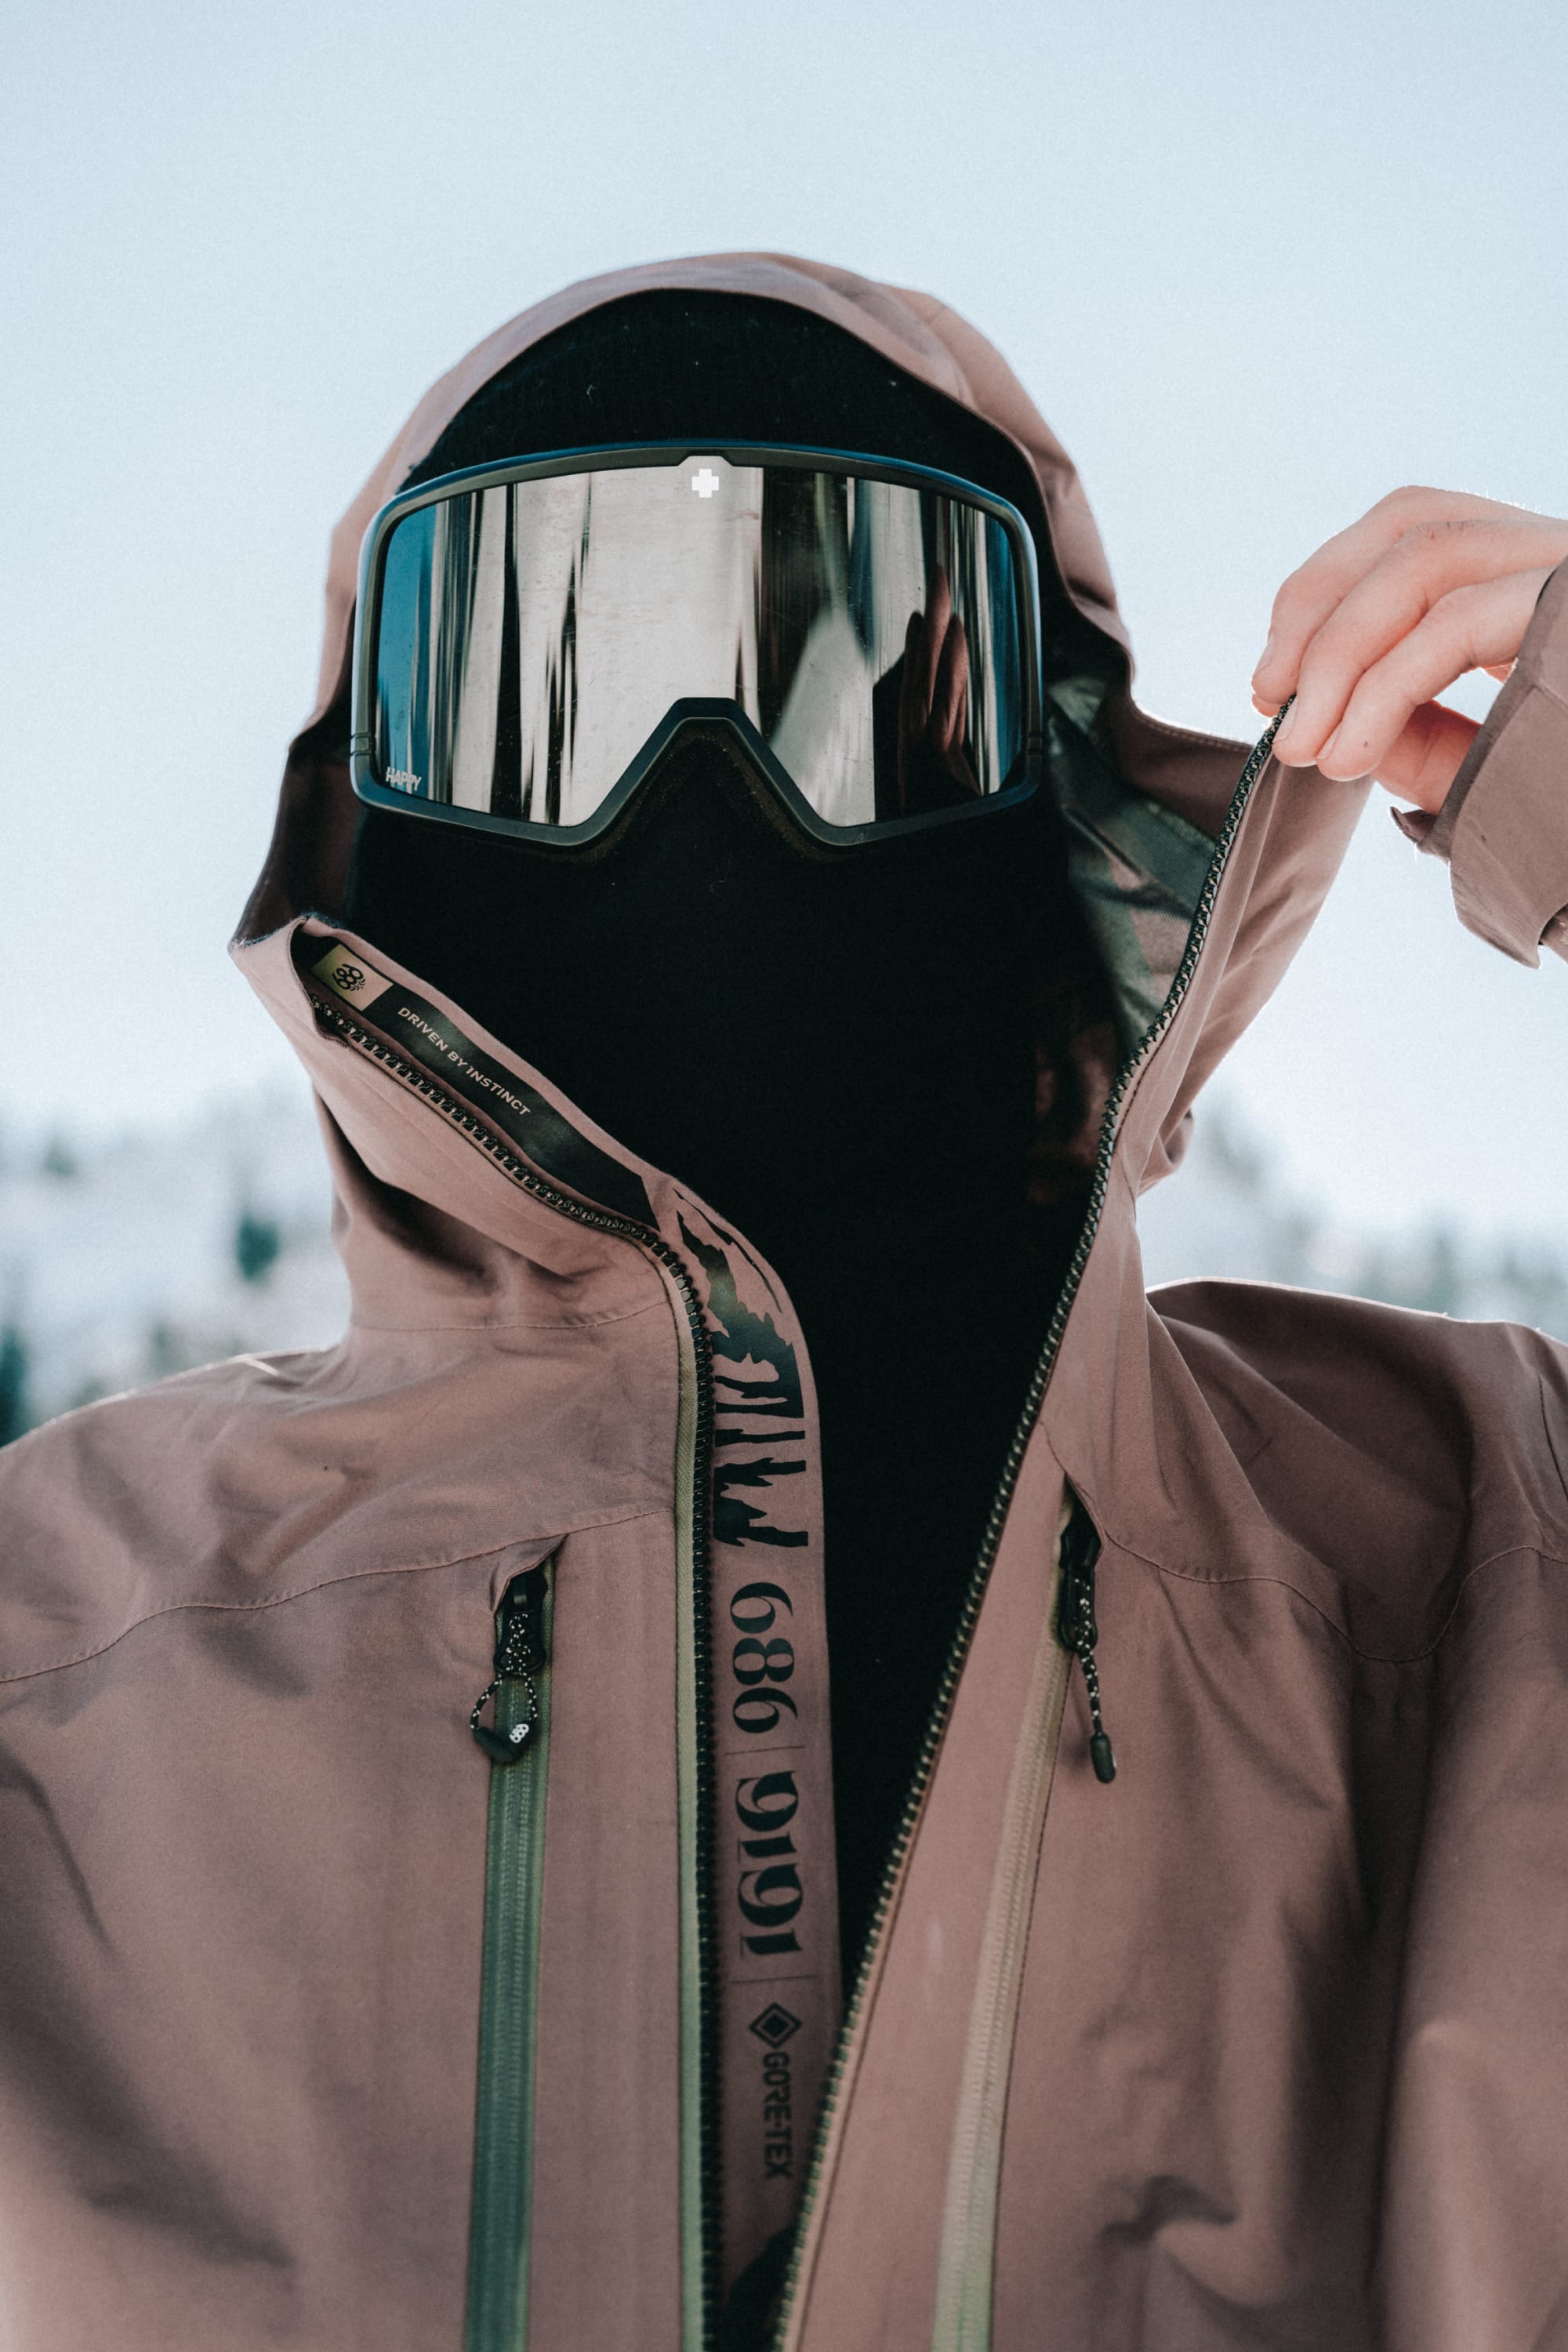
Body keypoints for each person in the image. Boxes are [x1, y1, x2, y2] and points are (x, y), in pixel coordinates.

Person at [2, 252, 1566, 2352]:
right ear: (374, 813)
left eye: (858, 672)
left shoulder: (1478, 1555)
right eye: (541, 676)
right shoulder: (54, 1641)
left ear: (1051, 778)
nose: (701, 776)